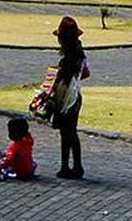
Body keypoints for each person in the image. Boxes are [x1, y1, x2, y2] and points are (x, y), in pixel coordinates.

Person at [51, 15, 89, 179]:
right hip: (75, 96)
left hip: (66, 98)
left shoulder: (68, 58)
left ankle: (69, 166)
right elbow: (86, 73)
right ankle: (72, 166)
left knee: (67, 133)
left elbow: (60, 79)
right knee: (70, 132)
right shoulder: (80, 54)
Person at [0, 116, 37, 181]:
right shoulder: (28, 140)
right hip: (29, 168)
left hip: (19, 172)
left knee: (4, 167)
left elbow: (7, 160)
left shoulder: (15, 147)